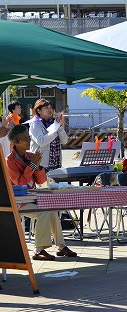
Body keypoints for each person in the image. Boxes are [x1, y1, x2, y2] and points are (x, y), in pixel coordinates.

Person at [6, 125, 76, 261]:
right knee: (43, 212)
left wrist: (37, 167)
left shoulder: (31, 156)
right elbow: (20, 183)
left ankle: (61, 245)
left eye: (29, 137)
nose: (29, 141)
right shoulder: (10, 161)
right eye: (25, 139)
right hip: (17, 201)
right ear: (15, 143)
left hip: (31, 197)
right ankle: (38, 250)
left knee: (52, 209)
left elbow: (42, 180)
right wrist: (32, 166)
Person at [27, 99, 68, 171]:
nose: (49, 110)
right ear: (39, 111)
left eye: (50, 108)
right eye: (46, 108)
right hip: (41, 165)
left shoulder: (54, 123)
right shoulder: (35, 124)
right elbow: (41, 141)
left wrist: (59, 126)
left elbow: (64, 141)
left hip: (56, 162)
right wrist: (55, 130)